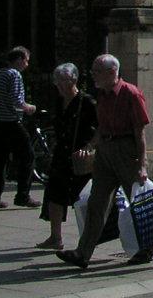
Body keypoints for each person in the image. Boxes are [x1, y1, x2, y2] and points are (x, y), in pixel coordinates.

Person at [57, 54, 153, 270]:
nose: (93, 75)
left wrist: (142, 164)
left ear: (112, 72)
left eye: (97, 71)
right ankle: (83, 253)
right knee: (96, 203)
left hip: (126, 151)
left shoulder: (131, 93)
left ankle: (147, 248)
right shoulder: (102, 95)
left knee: (136, 201)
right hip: (105, 151)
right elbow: (101, 127)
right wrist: (90, 146)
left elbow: (140, 132)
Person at [36, 63, 98, 250]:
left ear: (74, 80)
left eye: (63, 81)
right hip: (62, 154)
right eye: (57, 81)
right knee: (54, 194)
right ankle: (56, 237)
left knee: (83, 199)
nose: (60, 85)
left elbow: (101, 128)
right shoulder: (59, 101)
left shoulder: (87, 102)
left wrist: (89, 146)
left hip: (80, 156)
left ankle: (88, 239)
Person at [0, 45, 38, 211]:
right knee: (28, 156)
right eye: (26, 61)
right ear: (20, 59)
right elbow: (16, 100)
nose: (27, 64)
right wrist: (29, 107)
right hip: (11, 122)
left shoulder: (0, 73)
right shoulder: (14, 74)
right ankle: (23, 195)